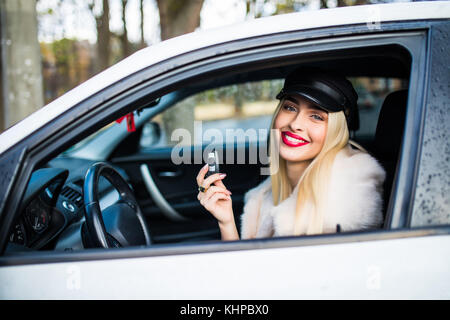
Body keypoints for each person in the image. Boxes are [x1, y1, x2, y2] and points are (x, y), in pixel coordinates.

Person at [196, 67, 386, 241]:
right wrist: (226, 221)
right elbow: (250, 272)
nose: (295, 124)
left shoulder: (347, 197)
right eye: (290, 107)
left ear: (335, 130)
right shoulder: (268, 192)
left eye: (316, 116)